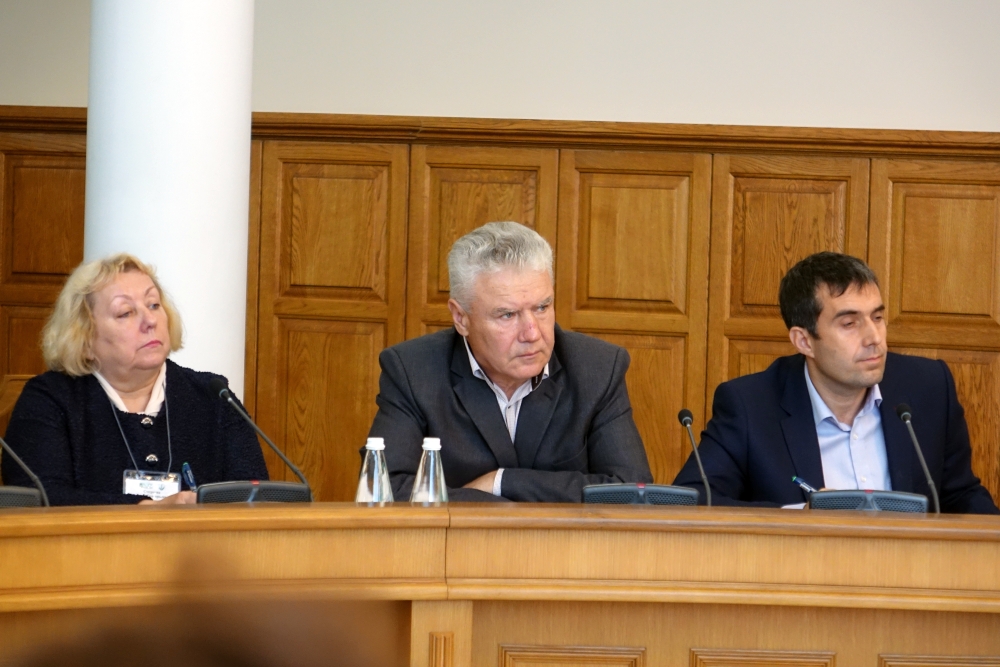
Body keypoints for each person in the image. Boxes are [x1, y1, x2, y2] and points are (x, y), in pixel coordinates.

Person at [673, 252, 998, 514]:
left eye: (878, 317)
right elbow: (693, 500)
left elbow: (960, 495)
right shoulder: (751, 405)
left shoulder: (927, 387)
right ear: (804, 341)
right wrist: (800, 516)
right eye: (849, 324)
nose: (874, 338)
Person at [367, 221, 652, 502]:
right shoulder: (413, 370)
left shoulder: (598, 368)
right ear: (461, 318)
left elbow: (630, 491)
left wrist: (501, 482)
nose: (532, 333)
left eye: (542, 307)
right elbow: (386, 491)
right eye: (507, 315)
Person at [1, 254, 268, 505]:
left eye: (154, 305)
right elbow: (40, 499)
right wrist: (149, 510)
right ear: (84, 337)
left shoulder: (213, 396)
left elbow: (254, 498)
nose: (150, 320)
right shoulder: (50, 400)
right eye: (125, 312)